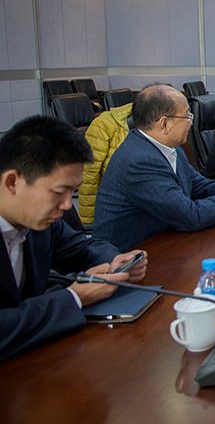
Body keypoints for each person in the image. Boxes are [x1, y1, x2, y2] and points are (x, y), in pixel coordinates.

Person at [1, 116, 148, 361]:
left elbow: (80, 247)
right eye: (59, 192)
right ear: (12, 182)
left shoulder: (37, 219)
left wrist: (116, 261)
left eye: (73, 192)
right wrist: (75, 297)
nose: (68, 205)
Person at [94, 84, 215, 250]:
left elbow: (198, 184)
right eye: (187, 116)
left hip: (165, 241)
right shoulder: (140, 160)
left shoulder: (169, 146)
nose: (191, 122)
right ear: (165, 123)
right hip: (129, 257)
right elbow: (189, 215)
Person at [78, 101, 133, 226]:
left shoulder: (166, 127)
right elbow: (89, 176)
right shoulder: (104, 125)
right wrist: (88, 223)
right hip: (114, 211)